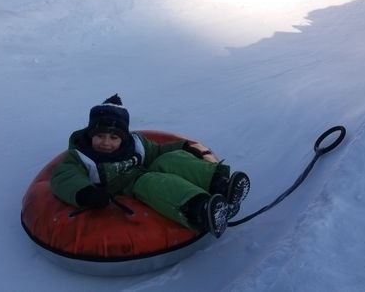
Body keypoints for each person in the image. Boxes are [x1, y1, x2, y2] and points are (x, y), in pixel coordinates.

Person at [50, 94, 250, 238]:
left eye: (113, 137)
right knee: (154, 182)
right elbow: (64, 177)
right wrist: (86, 193)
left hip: (145, 169)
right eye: (100, 136)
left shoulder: (136, 143)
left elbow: (157, 151)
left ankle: (221, 185)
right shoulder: (81, 156)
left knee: (171, 159)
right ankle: (202, 208)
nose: (106, 143)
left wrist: (183, 147)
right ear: (90, 134)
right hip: (128, 187)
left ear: (123, 137)